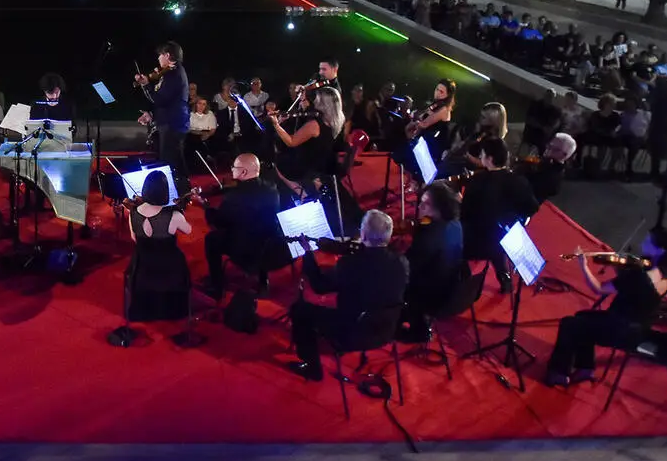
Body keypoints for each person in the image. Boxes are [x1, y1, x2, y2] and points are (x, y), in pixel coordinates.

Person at [544, 226, 667, 387]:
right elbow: (638, 293)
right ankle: (585, 368)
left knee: (569, 324)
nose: (643, 243)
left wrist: (583, 266)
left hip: (622, 330)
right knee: (582, 317)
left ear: (659, 250)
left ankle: (558, 373)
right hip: (640, 327)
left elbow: (598, 288)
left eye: (648, 241)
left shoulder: (640, 276)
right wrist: (621, 271)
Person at [286, 210, 409, 381]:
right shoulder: (402, 262)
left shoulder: (350, 264)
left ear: (363, 234)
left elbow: (319, 286)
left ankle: (312, 367)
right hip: (386, 329)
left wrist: (308, 255)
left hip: (351, 332)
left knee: (299, 310)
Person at [459, 137, 540, 293]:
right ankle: (504, 278)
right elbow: (532, 207)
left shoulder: (478, 181)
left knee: (454, 235)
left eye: (482, 155)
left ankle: (464, 278)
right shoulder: (519, 181)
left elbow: (465, 215)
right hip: (506, 241)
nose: (480, 157)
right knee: (495, 238)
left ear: (489, 159)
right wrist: (514, 220)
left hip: (476, 243)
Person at [197, 153, 282, 299]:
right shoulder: (272, 188)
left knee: (212, 239)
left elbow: (219, 222)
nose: (232, 170)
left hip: (243, 248)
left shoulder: (234, 197)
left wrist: (206, 207)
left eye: (234, 167)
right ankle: (263, 280)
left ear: (243, 172)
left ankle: (216, 285)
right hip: (269, 245)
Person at [401, 181, 466, 342]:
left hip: (433, 295)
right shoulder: (455, 224)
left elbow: (407, 266)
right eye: (421, 202)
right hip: (453, 287)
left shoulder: (429, 236)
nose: (419, 208)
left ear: (440, 208)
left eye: (426, 204)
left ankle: (412, 327)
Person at [125, 169, 193, 321]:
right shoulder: (173, 215)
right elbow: (188, 230)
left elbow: (134, 238)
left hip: (143, 264)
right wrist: (180, 212)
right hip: (169, 265)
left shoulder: (133, 213)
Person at [269, 85, 345, 200]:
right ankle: (316, 183)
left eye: (317, 99)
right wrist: (303, 100)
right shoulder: (338, 119)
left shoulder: (314, 125)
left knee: (279, 160)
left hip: (309, 166)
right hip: (323, 161)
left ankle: (303, 194)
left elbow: (291, 141)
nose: (314, 100)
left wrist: (276, 125)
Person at [134, 41, 191, 193]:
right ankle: (181, 192)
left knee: (170, 161)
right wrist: (151, 114)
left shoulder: (175, 74)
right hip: (170, 121)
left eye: (160, 55)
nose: (158, 59)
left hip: (173, 124)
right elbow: (166, 102)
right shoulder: (169, 73)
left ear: (167, 55)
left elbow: (160, 99)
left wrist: (146, 85)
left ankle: (176, 194)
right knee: (173, 159)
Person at [521, 131, 577, 205]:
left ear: (564, 155)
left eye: (555, 149)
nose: (548, 151)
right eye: (549, 146)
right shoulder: (544, 162)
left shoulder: (553, 176)